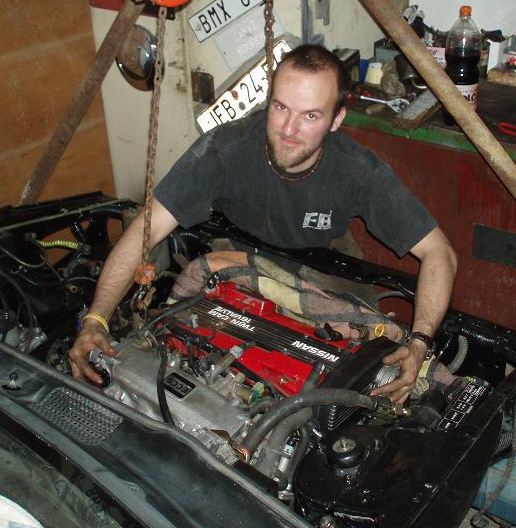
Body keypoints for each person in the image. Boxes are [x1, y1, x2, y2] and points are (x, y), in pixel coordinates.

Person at [69, 44, 457, 403]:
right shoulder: (224, 149)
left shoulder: (357, 169)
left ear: (336, 119)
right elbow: (147, 228)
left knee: (367, 362)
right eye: (280, 107)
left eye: (310, 116)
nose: (288, 129)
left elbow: (439, 252)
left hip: (325, 267)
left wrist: (420, 341)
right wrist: (96, 318)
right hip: (238, 256)